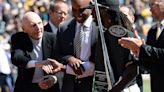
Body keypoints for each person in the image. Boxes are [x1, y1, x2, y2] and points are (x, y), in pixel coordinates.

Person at [90, 0, 140, 92]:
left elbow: (133, 68)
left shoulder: (126, 36)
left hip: (126, 89)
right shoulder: (102, 35)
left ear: (104, 11)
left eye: (95, 9)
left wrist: (116, 89)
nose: (92, 14)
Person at [118, 0, 164, 92]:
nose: (150, 9)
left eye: (152, 5)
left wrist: (141, 48)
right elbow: (150, 65)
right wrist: (138, 53)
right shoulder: (152, 31)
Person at [54, 0, 99, 92]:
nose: (78, 14)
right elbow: (56, 54)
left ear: (92, 7)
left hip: (93, 85)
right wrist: (68, 58)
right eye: (74, 10)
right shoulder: (63, 28)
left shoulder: (100, 28)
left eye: (82, 10)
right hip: (69, 86)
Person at [11, 11, 60, 92]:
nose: (38, 28)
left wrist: (53, 78)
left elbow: (60, 63)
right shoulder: (18, 38)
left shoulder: (52, 38)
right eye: (33, 25)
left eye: (40, 23)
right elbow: (17, 58)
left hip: (49, 87)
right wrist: (38, 63)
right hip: (26, 88)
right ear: (24, 29)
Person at [120, 5, 143, 92]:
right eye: (118, 15)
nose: (121, 18)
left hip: (134, 86)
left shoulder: (142, 38)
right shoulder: (111, 38)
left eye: (124, 15)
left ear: (132, 18)